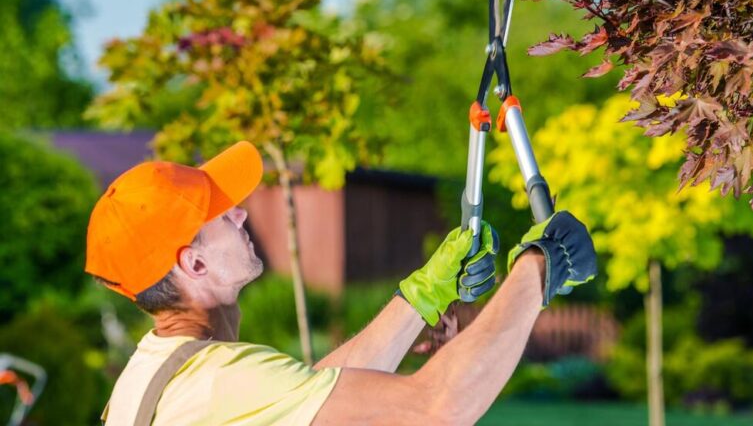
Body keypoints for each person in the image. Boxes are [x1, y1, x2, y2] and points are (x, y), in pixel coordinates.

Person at [88, 140, 596, 425]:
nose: (241, 214)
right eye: (221, 214)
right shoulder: (220, 380)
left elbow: (309, 394)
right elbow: (437, 409)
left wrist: (426, 291)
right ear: (194, 266)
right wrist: (540, 267)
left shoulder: (159, 374)